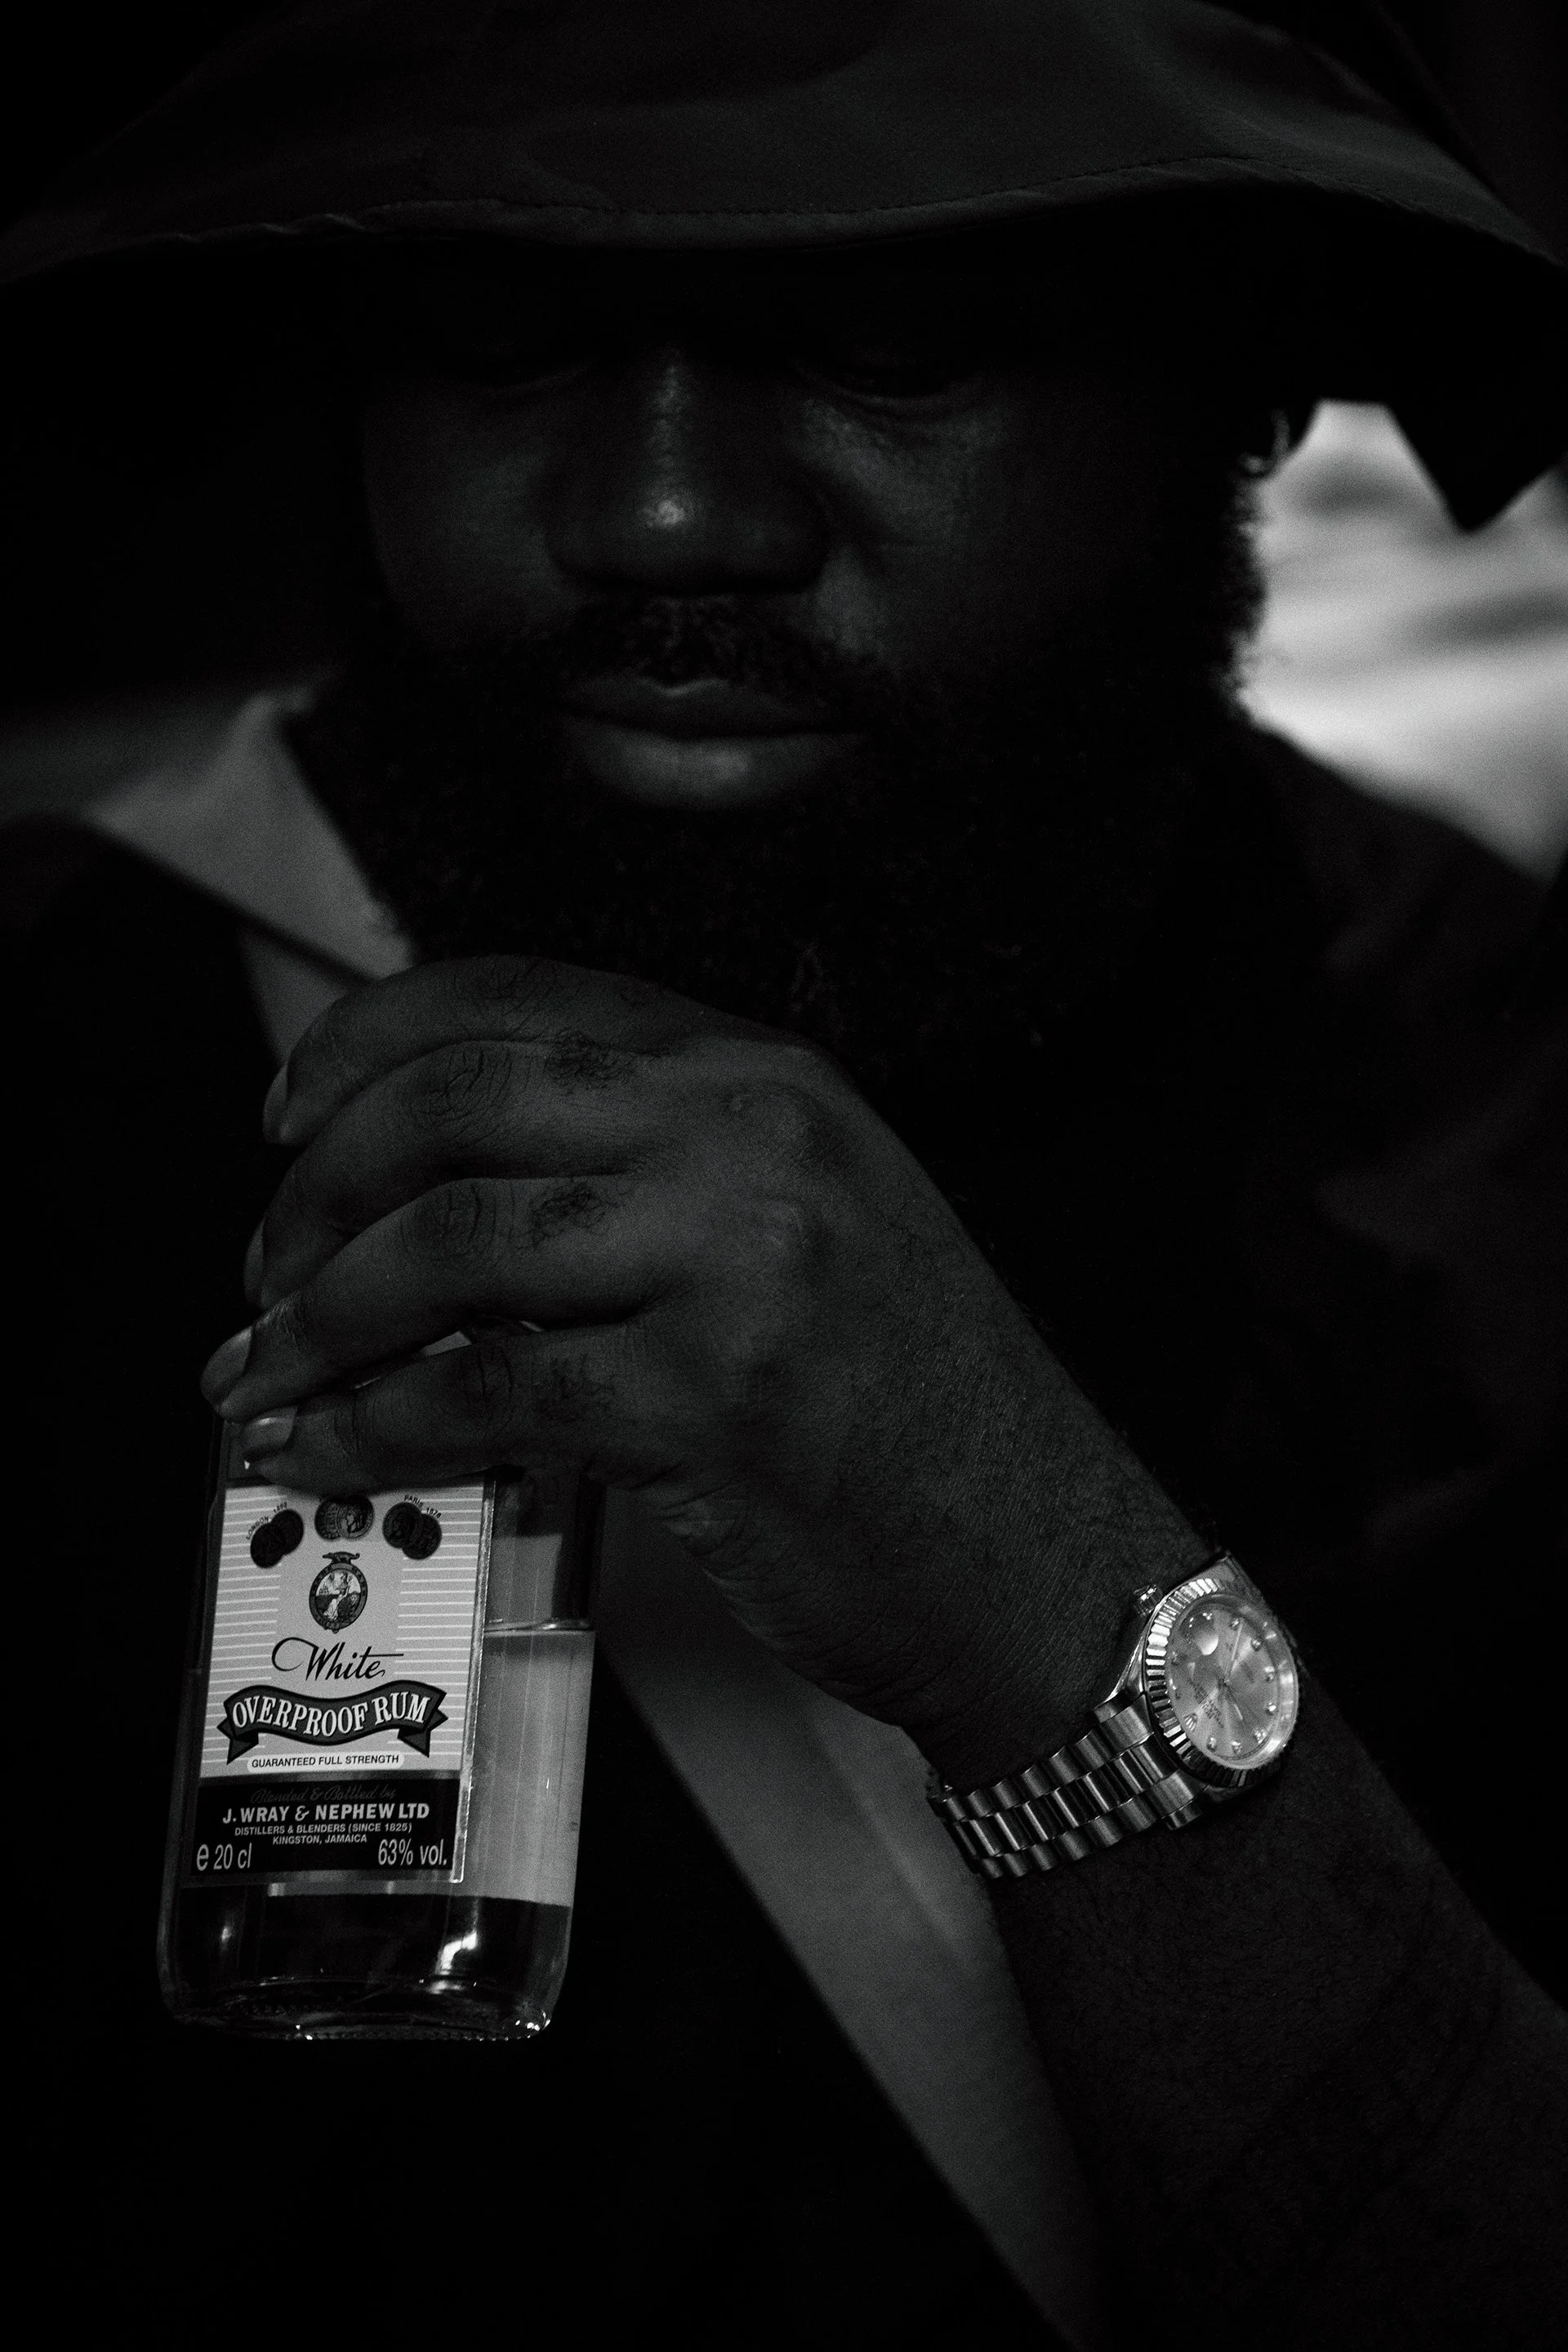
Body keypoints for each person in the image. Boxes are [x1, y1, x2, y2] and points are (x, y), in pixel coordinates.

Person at [6, 4, 1566, 2344]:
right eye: (504, 338)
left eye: (890, 347)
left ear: (1240, 382)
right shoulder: (56, 1055)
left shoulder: (1481, 1093)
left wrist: (1028, 1576)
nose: (661, 517)